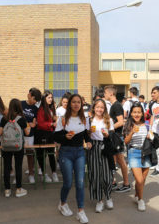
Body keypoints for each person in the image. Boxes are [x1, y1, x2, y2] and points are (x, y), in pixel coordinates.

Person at [57, 94, 92, 224]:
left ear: (81, 104)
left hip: (79, 153)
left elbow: (86, 135)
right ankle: (62, 203)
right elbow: (55, 137)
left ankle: (81, 211)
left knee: (80, 182)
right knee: (67, 183)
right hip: (65, 153)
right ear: (69, 104)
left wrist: (88, 142)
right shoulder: (62, 119)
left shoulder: (84, 118)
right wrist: (65, 137)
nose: (76, 104)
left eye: (78, 102)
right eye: (74, 102)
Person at [87, 99, 114, 213]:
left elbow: (113, 136)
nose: (99, 109)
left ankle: (108, 196)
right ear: (93, 108)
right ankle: (99, 200)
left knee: (107, 175)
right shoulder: (89, 120)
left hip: (105, 147)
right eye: (97, 107)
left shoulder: (108, 120)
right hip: (93, 147)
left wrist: (107, 135)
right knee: (96, 175)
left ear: (104, 109)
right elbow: (86, 135)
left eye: (102, 107)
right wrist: (88, 134)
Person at [124, 102, 151, 211]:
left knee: (143, 179)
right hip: (134, 152)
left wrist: (151, 136)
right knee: (139, 180)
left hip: (146, 153)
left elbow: (152, 137)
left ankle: (137, 195)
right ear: (131, 113)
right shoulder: (128, 125)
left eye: (139, 112)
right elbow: (126, 141)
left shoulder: (147, 124)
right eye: (134, 112)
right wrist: (131, 132)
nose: (137, 114)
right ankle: (140, 200)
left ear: (142, 113)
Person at [0, 99, 30, 197]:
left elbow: (0, 132)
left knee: (7, 167)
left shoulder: (4, 118)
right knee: (18, 167)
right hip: (18, 146)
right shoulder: (21, 119)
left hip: (6, 146)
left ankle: (7, 190)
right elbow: (27, 133)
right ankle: (18, 189)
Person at [104, 85, 131, 192]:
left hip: (117, 137)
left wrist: (109, 128)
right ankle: (113, 182)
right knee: (113, 161)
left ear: (111, 93)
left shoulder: (117, 106)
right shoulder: (114, 105)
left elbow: (120, 122)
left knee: (121, 160)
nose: (104, 95)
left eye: (105, 93)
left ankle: (126, 184)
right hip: (114, 137)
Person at [35, 91, 58, 183]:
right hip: (42, 134)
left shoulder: (51, 109)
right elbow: (40, 124)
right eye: (49, 97)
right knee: (42, 155)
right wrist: (52, 123)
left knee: (51, 154)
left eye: (51, 97)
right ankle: (44, 174)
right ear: (44, 99)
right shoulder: (41, 109)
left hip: (50, 134)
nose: (51, 99)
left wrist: (55, 122)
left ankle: (54, 173)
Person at [22, 88, 41, 183]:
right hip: (19, 135)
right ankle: (17, 176)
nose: (35, 102)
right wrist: (28, 123)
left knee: (30, 154)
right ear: (30, 95)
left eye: (37, 101)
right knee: (18, 155)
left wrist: (30, 123)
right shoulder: (20, 104)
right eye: (35, 99)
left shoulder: (35, 109)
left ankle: (31, 174)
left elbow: (34, 123)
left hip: (30, 135)